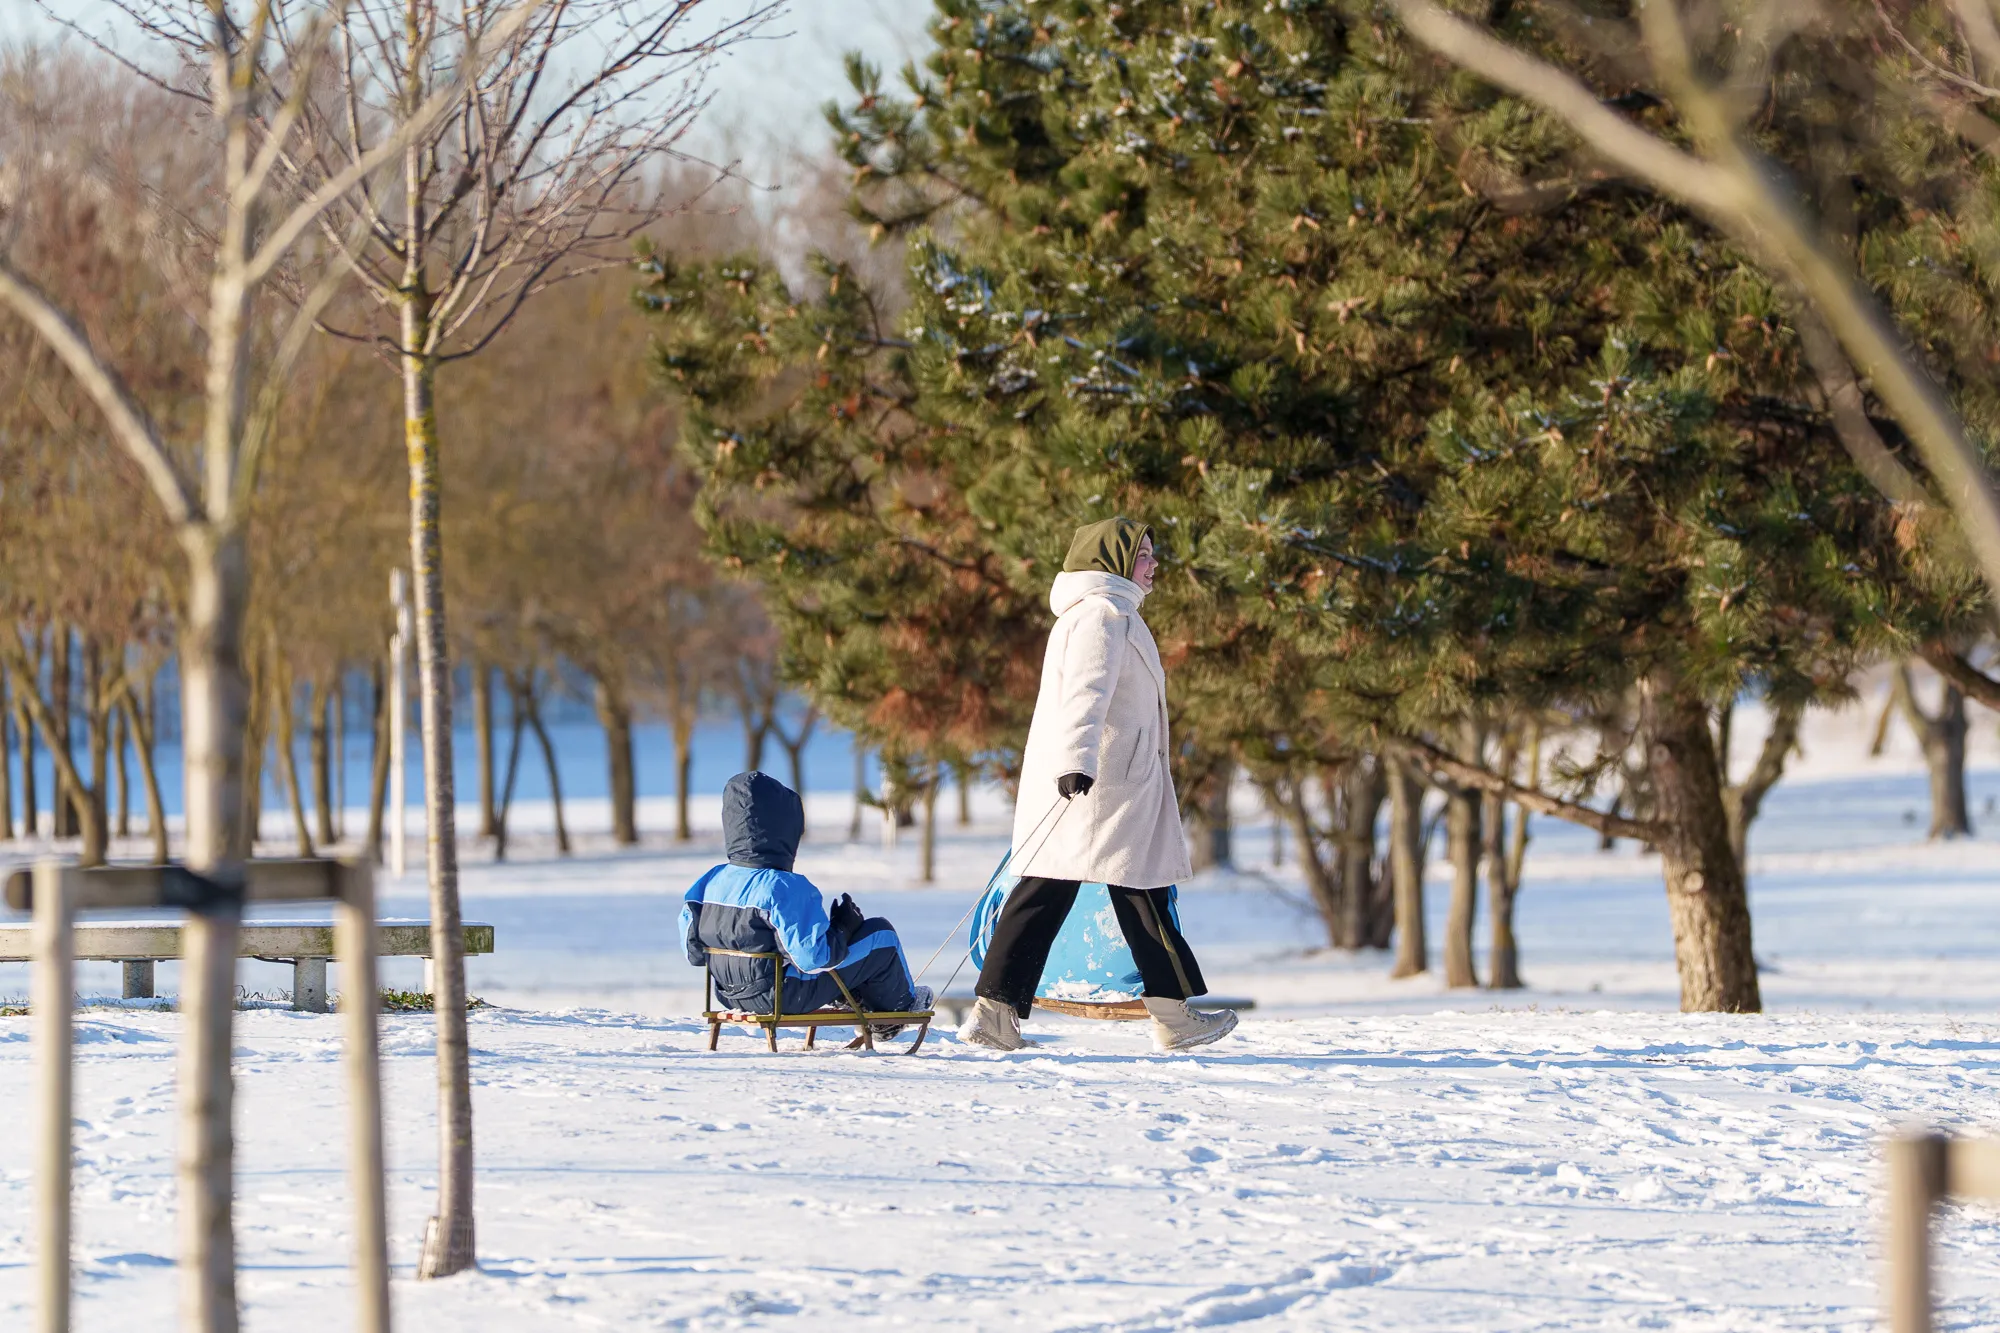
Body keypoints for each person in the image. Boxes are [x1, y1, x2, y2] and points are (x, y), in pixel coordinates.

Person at [960, 517, 1239, 1053]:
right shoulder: (1102, 615)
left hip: (1107, 784)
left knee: (1082, 893)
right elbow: (1085, 694)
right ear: (1111, 559)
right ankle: (1173, 1019)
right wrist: (1077, 762)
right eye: (1144, 555)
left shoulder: (1114, 611)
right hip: (1099, 786)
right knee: (1121, 893)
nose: (1154, 564)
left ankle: (995, 1016)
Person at [683, 772, 931, 1029]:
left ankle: (859, 997)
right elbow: (814, 959)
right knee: (880, 935)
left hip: (727, 993)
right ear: (785, 828)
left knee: (849, 951)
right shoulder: (783, 887)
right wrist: (844, 929)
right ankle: (899, 1010)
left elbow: (694, 955)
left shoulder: (707, 882)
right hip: (781, 996)